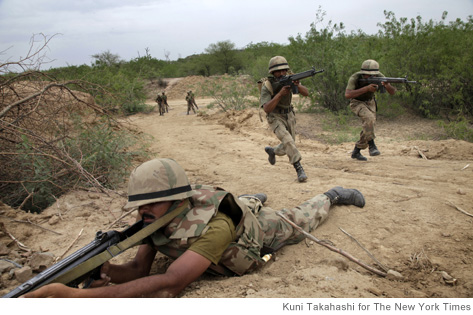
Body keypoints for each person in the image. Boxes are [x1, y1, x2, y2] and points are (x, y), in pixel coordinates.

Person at [22, 158, 365, 298]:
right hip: (223, 215)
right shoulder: (156, 218)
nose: (144, 213)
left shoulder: (214, 227)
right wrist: (109, 270)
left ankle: (331, 195)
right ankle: (248, 198)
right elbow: (139, 269)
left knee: (300, 218)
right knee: (242, 201)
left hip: (255, 233)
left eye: (151, 205)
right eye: (140, 207)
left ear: (175, 201)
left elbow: (174, 280)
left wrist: (79, 297)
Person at [261, 56, 309, 183]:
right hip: (275, 116)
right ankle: (299, 168)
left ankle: (273, 151)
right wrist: (280, 94)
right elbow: (266, 108)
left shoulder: (290, 79)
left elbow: (306, 93)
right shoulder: (267, 85)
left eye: (284, 70)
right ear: (272, 72)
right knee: (288, 141)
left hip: (289, 115)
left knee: (290, 144)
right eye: (278, 71)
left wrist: (297, 85)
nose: (282, 73)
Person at [345, 59, 396, 161]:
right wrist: (366, 89)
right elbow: (348, 95)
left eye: (373, 75)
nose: (370, 77)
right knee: (369, 119)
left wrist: (387, 85)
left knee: (369, 125)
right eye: (367, 75)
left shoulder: (380, 76)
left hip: (370, 102)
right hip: (357, 102)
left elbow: (392, 92)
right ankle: (372, 146)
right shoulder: (355, 77)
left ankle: (356, 151)